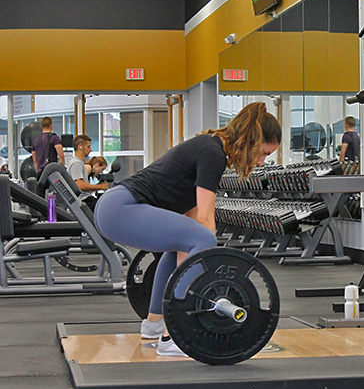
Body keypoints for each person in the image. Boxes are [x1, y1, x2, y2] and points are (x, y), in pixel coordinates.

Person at [94, 102, 281, 357]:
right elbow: (205, 223)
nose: (260, 162)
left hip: (114, 207)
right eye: (263, 153)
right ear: (250, 140)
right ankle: (177, 333)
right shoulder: (212, 152)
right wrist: (213, 275)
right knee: (201, 237)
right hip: (120, 207)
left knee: (184, 242)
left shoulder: (210, 148)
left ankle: (154, 324)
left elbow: (192, 220)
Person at [67, 135, 109, 211]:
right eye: (88, 147)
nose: (90, 150)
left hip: (86, 198)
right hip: (83, 201)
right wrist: (101, 186)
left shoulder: (80, 163)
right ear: (80, 147)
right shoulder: (76, 163)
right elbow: (79, 186)